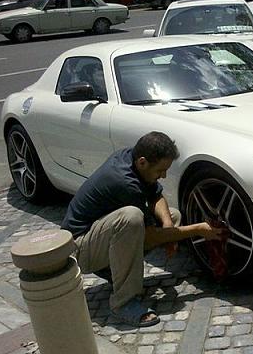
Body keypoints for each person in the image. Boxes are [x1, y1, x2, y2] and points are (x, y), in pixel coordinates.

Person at [61, 131, 224, 327]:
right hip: (79, 248)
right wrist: (198, 229)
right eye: (160, 170)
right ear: (143, 162)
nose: (163, 175)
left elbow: (156, 195)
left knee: (172, 216)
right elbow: (149, 238)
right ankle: (123, 303)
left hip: (99, 234)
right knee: (131, 218)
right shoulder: (124, 182)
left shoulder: (132, 158)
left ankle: (112, 270)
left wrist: (168, 227)